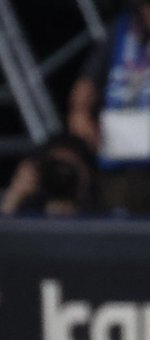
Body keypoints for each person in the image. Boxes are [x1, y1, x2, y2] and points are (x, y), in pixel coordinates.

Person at [68, 0, 150, 214]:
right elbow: (86, 85)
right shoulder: (120, 31)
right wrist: (80, 114)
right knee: (120, 219)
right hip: (120, 162)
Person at [0, 133, 99, 216]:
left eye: (69, 169)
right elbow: (2, 230)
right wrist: (15, 195)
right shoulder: (27, 218)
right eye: (55, 166)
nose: (61, 177)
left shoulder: (100, 219)